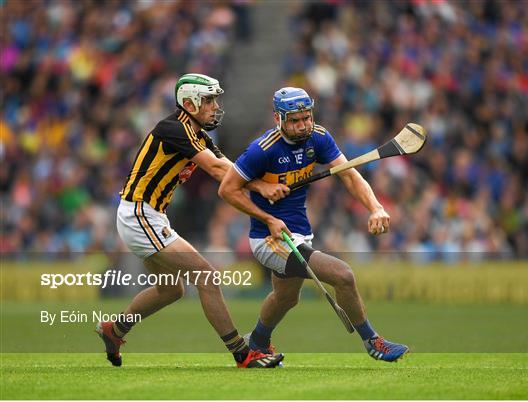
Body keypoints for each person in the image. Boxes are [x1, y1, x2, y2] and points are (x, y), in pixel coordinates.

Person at [96, 73, 285, 368]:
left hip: (149, 215)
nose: (215, 106)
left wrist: (265, 183)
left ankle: (115, 329)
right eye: (208, 100)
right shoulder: (174, 128)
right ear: (189, 103)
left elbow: (232, 171)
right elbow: (217, 169)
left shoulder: (198, 134)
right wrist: (262, 187)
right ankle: (242, 353)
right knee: (207, 277)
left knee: (171, 289)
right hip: (139, 214)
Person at [218, 87, 409, 362]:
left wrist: (376, 207)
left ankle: (257, 343)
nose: (303, 125)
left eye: (306, 117)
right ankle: (373, 341)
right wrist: (266, 207)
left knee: (286, 298)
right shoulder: (262, 149)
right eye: (294, 120)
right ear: (278, 118)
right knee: (343, 275)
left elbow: (350, 175)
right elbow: (227, 189)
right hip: (269, 237)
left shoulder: (318, 137)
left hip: (298, 232)